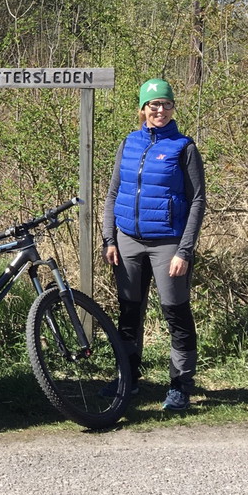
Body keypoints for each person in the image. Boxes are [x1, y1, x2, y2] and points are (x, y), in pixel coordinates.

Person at [102, 78, 206, 412]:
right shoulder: (129, 143)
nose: (160, 110)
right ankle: (128, 378)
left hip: (168, 244)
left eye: (166, 104)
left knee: (176, 312)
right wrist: (109, 239)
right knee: (129, 312)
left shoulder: (183, 147)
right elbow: (113, 193)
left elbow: (197, 200)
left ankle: (180, 385)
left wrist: (184, 250)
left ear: (173, 107)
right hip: (128, 241)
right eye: (154, 104)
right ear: (143, 109)